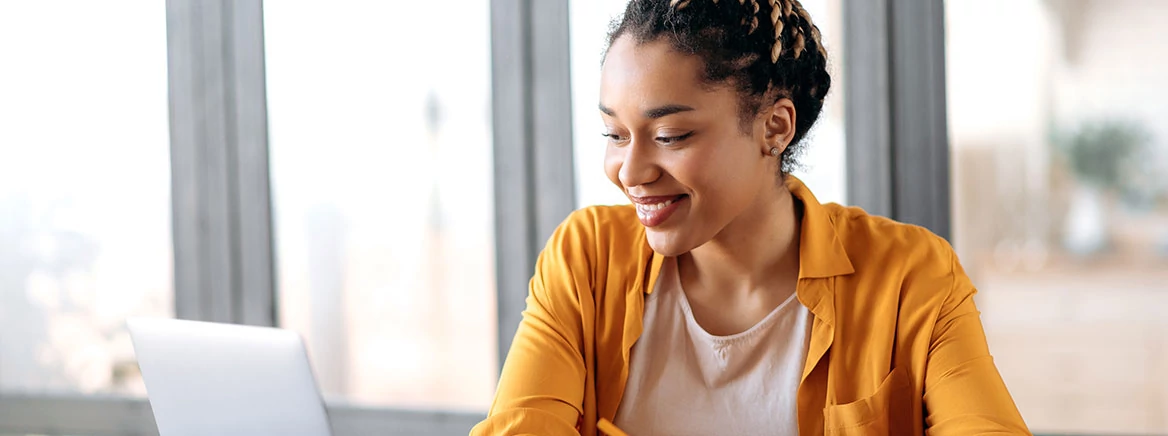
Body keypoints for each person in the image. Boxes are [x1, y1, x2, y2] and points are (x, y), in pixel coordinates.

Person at [472, 0, 1030, 434]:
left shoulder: (911, 276)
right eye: (615, 134)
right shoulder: (586, 260)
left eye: (670, 135)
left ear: (775, 127)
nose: (630, 171)